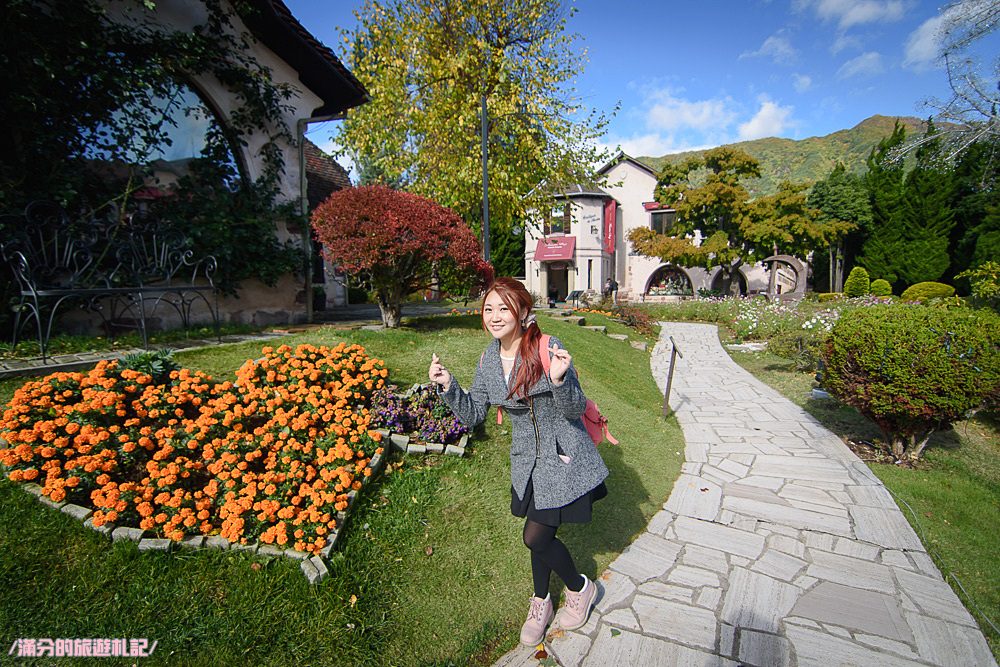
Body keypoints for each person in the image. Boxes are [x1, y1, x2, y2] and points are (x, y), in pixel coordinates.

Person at [428, 277, 608, 646]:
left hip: (564, 457)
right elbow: (475, 412)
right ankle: (541, 601)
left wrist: (559, 380)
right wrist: (448, 385)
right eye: (488, 308)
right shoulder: (488, 359)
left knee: (535, 536)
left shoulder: (546, 347)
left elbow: (574, 408)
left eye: (503, 308)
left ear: (523, 311)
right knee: (541, 537)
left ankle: (579, 587)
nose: (494, 316)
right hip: (526, 462)